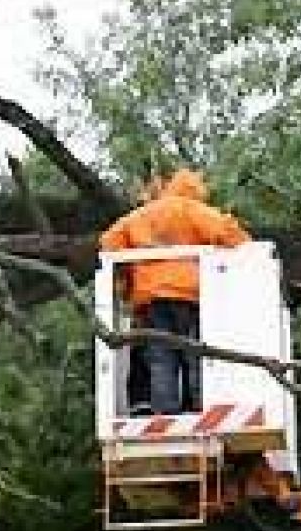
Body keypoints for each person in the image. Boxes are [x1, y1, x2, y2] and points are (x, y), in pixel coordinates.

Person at [99, 169, 250, 416]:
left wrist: (126, 282)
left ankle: (164, 412)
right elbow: (229, 233)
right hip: (189, 296)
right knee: (195, 354)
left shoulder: (142, 215)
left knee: (160, 358)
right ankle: (200, 408)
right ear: (195, 190)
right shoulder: (191, 209)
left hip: (151, 300)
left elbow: (110, 242)